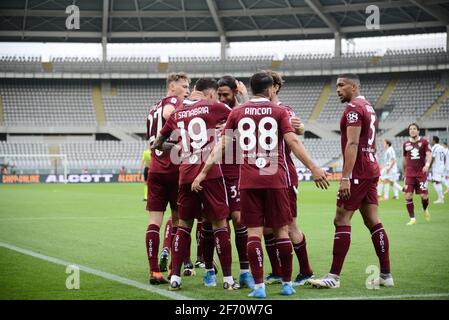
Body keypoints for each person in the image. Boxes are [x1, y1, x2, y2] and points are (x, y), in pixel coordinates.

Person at [192, 71, 329, 298]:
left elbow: (221, 146)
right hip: (276, 178)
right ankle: (287, 284)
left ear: (249, 89)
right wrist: (314, 167)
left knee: (254, 233)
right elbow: (293, 140)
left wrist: (203, 173)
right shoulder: (279, 111)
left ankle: (259, 287)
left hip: (248, 180)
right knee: (281, 231)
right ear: (270, 90)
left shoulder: (237, 112)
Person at [308, 73, 393, 289]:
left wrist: (345, 177)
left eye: (341, 85)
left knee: (341, 219)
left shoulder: (353, 108)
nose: (337, 89)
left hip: (359, 170)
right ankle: (386, 275)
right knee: (373, 220)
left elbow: (353, 143)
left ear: (353, 86)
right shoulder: (368, 106)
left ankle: (333, 277)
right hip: (371, 167)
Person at [152, 77, 238, 291]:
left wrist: (177, 146)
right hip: (209, 173)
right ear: (210, 93)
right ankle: (228, 279)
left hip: (185, 174)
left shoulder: (177, 112)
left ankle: (175, 278)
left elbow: (158, 142)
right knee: (219, 225)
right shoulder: (212, 106)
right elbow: (239, 116)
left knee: (184, 225)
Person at [263, 70, 314, 287]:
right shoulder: (260, 110)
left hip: (283, 175)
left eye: (269, 85)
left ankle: (306, 271)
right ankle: (276, 271)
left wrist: (301, 127)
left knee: (290, 224)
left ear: (276, 87)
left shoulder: (284, 109)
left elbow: (297, 129)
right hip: (263, 175)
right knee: (266, 227)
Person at [144, 72, 190, 285]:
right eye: (184, 85)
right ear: (172, 87)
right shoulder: (173, 102)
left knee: (154, 222)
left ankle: (154, 271)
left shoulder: (152, 108)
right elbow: (170, 113)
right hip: (173, 170)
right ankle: (173, 268)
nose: (187, 89)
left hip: (155, 170)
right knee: (179, 220)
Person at [402, 123, 432, 226]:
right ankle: (412, 218)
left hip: (421, 173)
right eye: (410, 129)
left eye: (414, 129)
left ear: (418, 131)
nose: (412, 130)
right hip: (409, 174)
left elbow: (429, 155)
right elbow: (404, 159)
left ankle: (425, 209)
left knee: (424, 196)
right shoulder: (406, 144)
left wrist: (427, 165)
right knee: (408, 195)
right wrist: (403, 173)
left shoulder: (424, 142)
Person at [430, 136, 446, 204]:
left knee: (436, 182)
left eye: (432, 140)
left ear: (434, 141)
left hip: (437, 167)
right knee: (435, 181)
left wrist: (429, 166)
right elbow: (444, 157)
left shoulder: (434, 147)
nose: (431, 141)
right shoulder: (441, 147)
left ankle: (441, 199)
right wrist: (443, 164)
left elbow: (433, 157)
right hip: (441, 166)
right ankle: (440, 197)